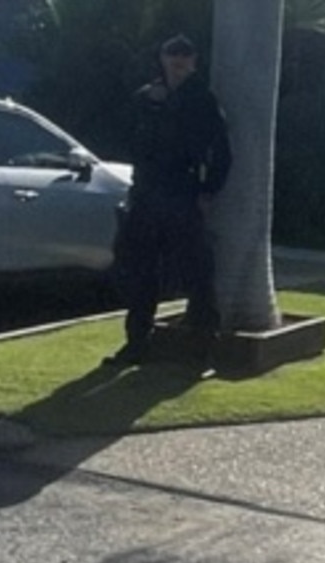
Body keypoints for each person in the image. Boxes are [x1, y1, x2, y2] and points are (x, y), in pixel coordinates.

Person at [105, 34, 232, 369]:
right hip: (146, 193)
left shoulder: (202, 100)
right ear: (162, 60)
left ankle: (202, 350)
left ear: (193, 63)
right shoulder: (147, 97)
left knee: (197, 272)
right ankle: (136, 343)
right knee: (139, 270)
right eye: (172, 58)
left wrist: (208, 190)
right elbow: (127, 137)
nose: (177, 64)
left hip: (182, 193)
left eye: (183, 59)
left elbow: (220, 151)